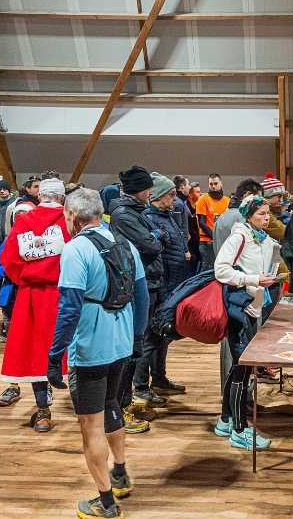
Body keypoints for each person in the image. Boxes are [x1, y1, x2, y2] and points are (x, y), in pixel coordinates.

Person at [47, 188, 149, 519]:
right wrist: (137, 338)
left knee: (90, 424)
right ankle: (119, 472)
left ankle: (105, 503)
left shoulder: (76, 249)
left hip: (90, 348)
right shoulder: (126, 244)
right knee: (112, 406)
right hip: (122, 342)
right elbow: (143, 296)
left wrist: (55, 355)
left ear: (72, 215)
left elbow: (69, 308)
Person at [0, 178, 70, 432]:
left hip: (30, 294)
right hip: (64, 292)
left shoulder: (23, 220)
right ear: (62, 198)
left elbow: (9, 259)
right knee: (73, 348)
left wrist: (25, 278)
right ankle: (89, 409)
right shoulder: (70, 220)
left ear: (40, 197)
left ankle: (42, 412)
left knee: (35, 350)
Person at [213, 195, 282, 451]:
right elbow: (221, 270)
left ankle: (225, 420)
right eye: (261, 213)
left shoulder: (263, 239)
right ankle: (239, 430)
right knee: (243, 369)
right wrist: (252, 279)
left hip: (253, 308)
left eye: (268, 213)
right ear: (249, 216)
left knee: (239, 367)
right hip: (239, 309)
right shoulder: (239, 237)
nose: (267, 217)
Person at [108, 166, 163, 421]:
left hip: (146, 281)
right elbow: (152, 244)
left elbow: (152, 240)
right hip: (135, 284)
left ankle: (126, 402)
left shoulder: (135, 211)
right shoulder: (123, 215)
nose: (151, 192)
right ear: (137, 190)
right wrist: (156, 235)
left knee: (138, 344)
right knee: (131, 346)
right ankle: (121, 407)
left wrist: (154, 235)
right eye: (148, 188)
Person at [138, 173, 191, 402]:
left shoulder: (164, 216)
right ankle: (141, 386)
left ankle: (159, 378)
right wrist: (163, 292)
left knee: (163, 337)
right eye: (171, 195)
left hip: (170, 287)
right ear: (159, 196)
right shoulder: (151, 219)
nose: (175, 199)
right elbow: (157, 259)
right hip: (161, 287)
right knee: (150, 339)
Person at [213, 179, 264, 389]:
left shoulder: (222, 218)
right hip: (240, 293)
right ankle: (237, 394)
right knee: (240, 350)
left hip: (230, 291)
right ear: (247, 198)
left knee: (231, 346)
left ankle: (231, 391)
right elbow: (226, 265)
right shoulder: (241, 226)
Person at [195, 173, 230, 270]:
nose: (213, 186)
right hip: (207, 242)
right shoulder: (203, 200)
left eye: (216, 183)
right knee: (208, 271)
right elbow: (202, 223)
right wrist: (216, 237)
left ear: (221, 184)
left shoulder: (227, 201)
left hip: (224, 242)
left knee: (223, 270)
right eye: (211, 184)